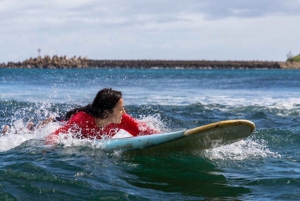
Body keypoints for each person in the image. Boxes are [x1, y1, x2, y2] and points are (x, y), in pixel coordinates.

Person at [45, 88, 159, 143]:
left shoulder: (121, 119)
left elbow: (144, 131)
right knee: (51, 122)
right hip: (63, 121)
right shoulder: (81, 120)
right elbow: (55, 135)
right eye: (120, 109)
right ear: (106, 113)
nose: (124, 113)